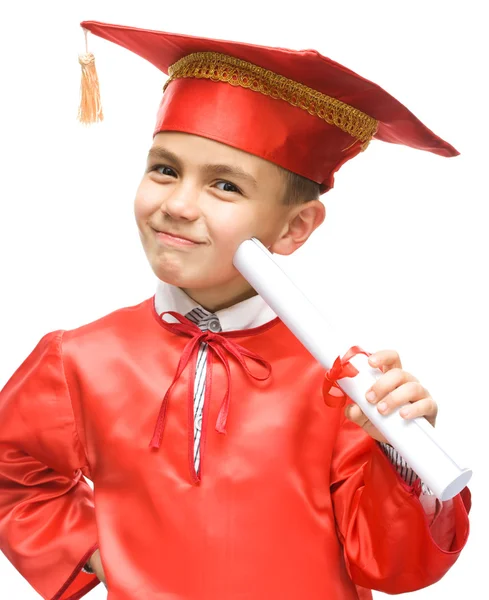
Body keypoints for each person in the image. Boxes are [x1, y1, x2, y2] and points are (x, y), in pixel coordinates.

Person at [0, 19, 471, 600]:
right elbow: (12, 474)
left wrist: (401, 454)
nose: (177, 204)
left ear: (294, 227)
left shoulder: (342, 388)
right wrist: (100, 554)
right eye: (165, 169)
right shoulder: (80, 359)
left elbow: (396, 568)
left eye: (225, 186)